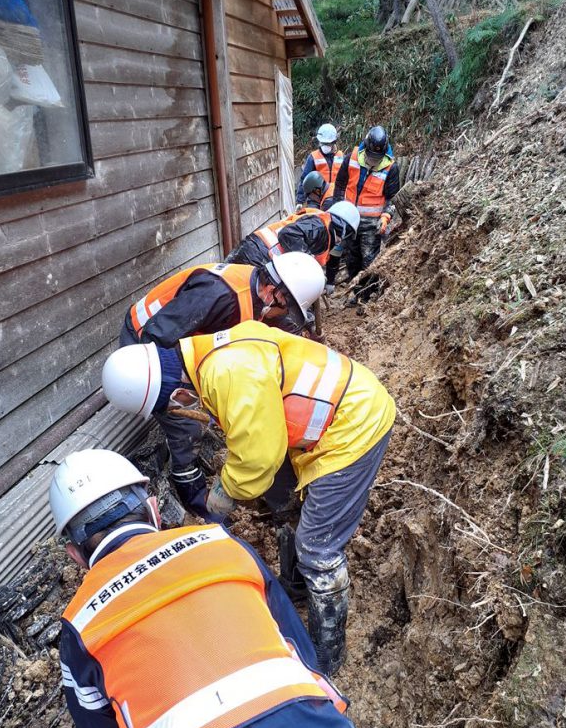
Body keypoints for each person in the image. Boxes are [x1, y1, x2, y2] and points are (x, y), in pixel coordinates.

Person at [50, 449, 369, 728]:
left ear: (75, 555)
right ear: (154, 510)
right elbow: (301, 653)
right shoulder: (224, 544)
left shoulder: (79, 624)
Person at [102, 320, 396, 676]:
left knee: (317, 547)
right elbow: (256, 433)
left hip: (354, 424)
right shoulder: (204, 356)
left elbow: (257, 459)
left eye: (174, 406)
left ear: (175, 393)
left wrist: (225, 492)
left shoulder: (227, 373)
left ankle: (327, 655)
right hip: (323, 419)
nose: (181, 408)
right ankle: (296, 587)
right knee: (285, 503)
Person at [120, 254, 325, 516]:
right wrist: (184, 389)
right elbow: (157, 335)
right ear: (273, 293)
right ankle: (202, 506)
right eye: (286, 309)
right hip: (146, 347)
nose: (285, 315)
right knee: (185, 428)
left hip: (184, 343)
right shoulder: (218, 295)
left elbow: (279, 324)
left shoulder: (259, 293)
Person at [225, 201, 360, 293]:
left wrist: (328, 280)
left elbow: (332, 260)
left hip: (256, 250)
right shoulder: (319, 226)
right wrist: (307, 263)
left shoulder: (321, 224)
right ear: (345, 229)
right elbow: (288, 234)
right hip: (259, 255)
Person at [333, 125, 400, 297]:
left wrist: (386, 216)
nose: (373, 160)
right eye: (371, 156)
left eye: (377, 158)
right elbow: (340, 185)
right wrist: (338, 208)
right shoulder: (352, 158)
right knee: (351, 258)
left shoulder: (390, 168)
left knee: (369, 260)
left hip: (371, 223)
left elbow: (392, 198)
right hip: (349, 220)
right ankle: (355, 293)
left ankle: (367, 296)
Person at [296, 122, 344, 207]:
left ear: (334, 142)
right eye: (323, 143)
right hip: (315, 199)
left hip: (334, 198)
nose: (325, 146)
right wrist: (300, 201)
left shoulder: (341, 157)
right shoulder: (313, 157)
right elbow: (304, 179)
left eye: (327, 143)